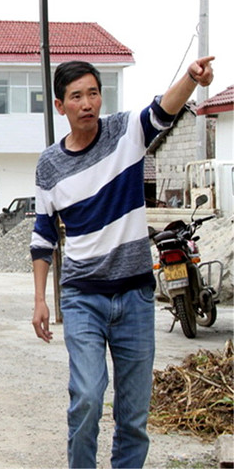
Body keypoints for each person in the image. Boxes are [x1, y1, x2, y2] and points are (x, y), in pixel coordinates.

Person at [30, 56, 215, 468]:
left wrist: (191, 77)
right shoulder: (50, 165)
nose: (87, 103)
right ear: (60, 105)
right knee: (87, 397)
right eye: (76, 96)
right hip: (83, 298)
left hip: (135, 297)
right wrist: (40, 299)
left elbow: (163, 110)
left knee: (133, 416)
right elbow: (43, 237)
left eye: (93, 93)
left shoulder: (125, 132)